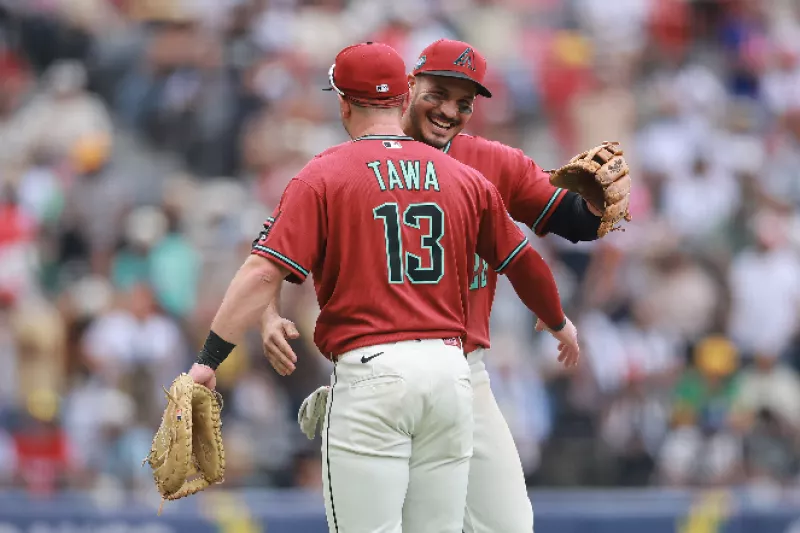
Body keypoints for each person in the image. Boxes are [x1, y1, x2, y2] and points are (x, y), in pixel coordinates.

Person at [186, 42, 579, 533]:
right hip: (449, 373)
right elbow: (526, 262)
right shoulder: (464, 176)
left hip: (373, 371)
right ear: (404, 96)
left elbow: (264, 270)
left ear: (343, 103)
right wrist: (560, 321)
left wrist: (207, 359)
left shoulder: (325, 172)